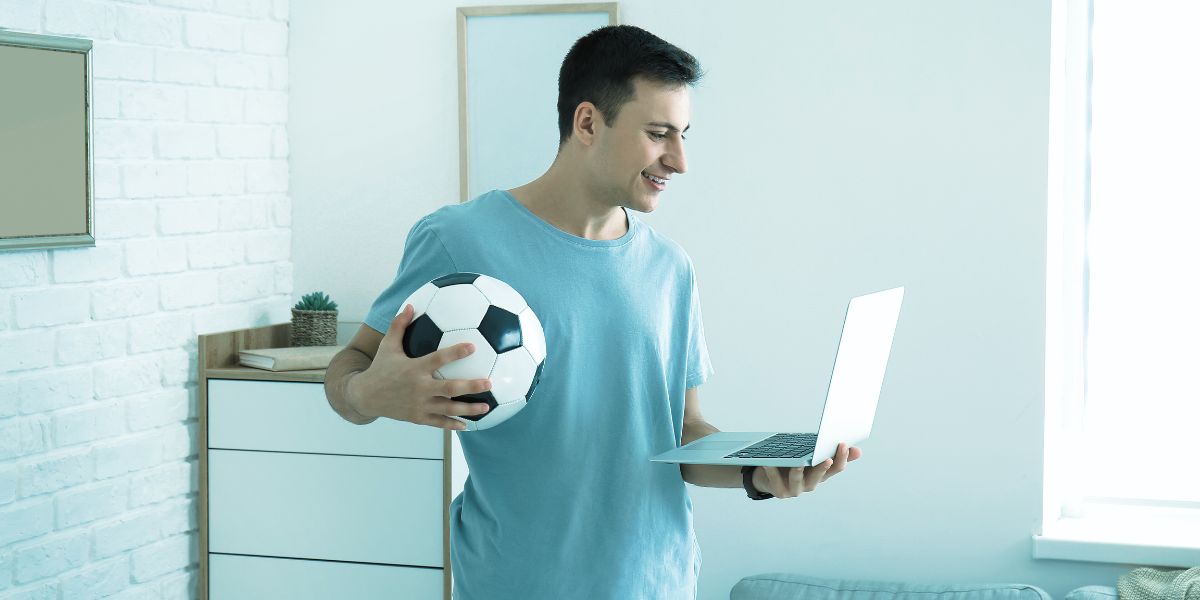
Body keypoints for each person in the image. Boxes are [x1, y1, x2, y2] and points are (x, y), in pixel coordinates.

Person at [324, 24, 861, 600]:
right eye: (659, 134)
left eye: (683, 135)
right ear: (587, 123)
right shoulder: (457, 239)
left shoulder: (670, 268)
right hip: (516, 582)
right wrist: (366, 396)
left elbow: (682, 434)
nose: (679, 160)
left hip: (657, 582)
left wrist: (758, 472)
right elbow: (350, 372)